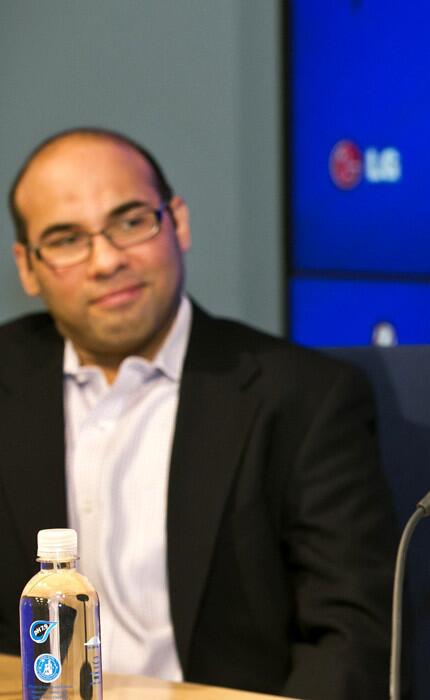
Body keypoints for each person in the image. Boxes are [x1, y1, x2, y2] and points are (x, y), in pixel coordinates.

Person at [0, 127, 397, 699]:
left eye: (131, 221)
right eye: (66, 239)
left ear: (178, 222)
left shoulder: (308, 398)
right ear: (28, 267)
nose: (106, 259)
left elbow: (353, 642)